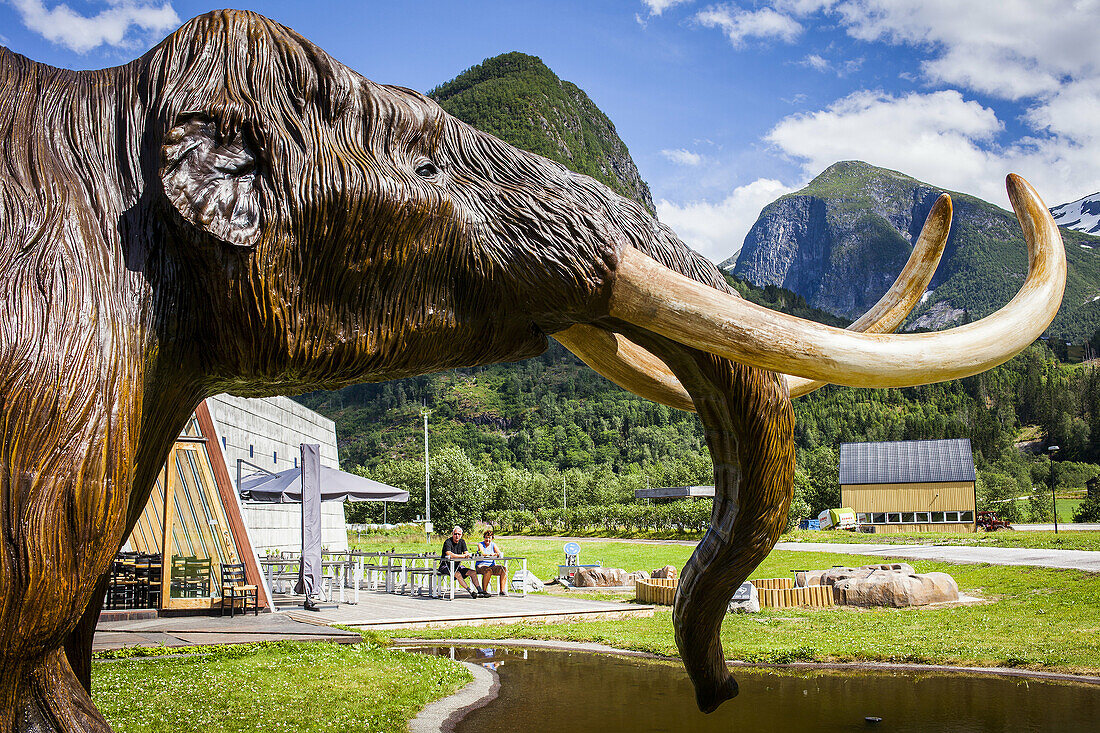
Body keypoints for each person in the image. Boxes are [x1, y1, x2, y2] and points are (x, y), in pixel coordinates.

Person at [438, 526, 488, 598]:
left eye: (459, 534)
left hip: (457, 566)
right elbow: (450, 554)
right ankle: (470, 591)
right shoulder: (447, 542)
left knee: (473, 572)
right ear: (452, 534)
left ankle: (480, 591)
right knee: (457, 574)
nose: (457, 536)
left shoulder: (462, 542)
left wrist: (467, 555)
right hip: (445, 566)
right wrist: (463, 556)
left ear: (461, 535)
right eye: (455, 534)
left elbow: (466, 553)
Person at [475, 527, 508, 596]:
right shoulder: (480, 544)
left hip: (492, 565)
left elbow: (499, 553)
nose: (488, 540)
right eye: (486, 538)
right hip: (481, 565)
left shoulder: (493, 545)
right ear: (484, 538)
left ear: (492, 538)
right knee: (488, 570)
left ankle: (502, 590)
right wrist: (490, 554)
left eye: (489, 538)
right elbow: (482, 553)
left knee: (503, 569)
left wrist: (497, 554)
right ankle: (484, 591)